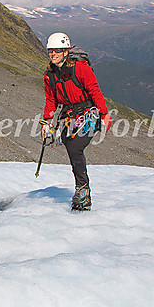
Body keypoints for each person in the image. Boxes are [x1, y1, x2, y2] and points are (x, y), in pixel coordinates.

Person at [41, 32, 112, 211]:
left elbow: (95, 91)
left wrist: (104, 114)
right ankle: (81, 189)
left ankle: (83, 190)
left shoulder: (81, 68)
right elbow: (51, 100)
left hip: (89, 114)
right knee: (69, 144)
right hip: (68, 116)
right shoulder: (50, 76)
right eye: (51, 51)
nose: (53, 54)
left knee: (74, 146)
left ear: (66, 51)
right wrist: (47, 121)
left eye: (57, 50)